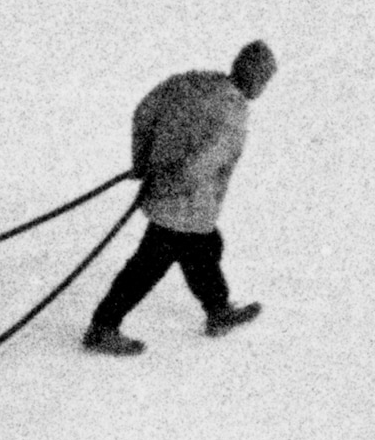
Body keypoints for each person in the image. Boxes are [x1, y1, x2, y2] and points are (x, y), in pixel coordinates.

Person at [86, 39, 278, 353]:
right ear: (258, 79)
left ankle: (218, 311)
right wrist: (168, 181)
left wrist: (143, 160)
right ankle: (103, 327)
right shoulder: (233, 113)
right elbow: (203, 165)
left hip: (173, 196)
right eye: (265, 80)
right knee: (150, 265)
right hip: (184, 203)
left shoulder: (192, 82)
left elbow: (145, 110)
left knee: (205, 247)